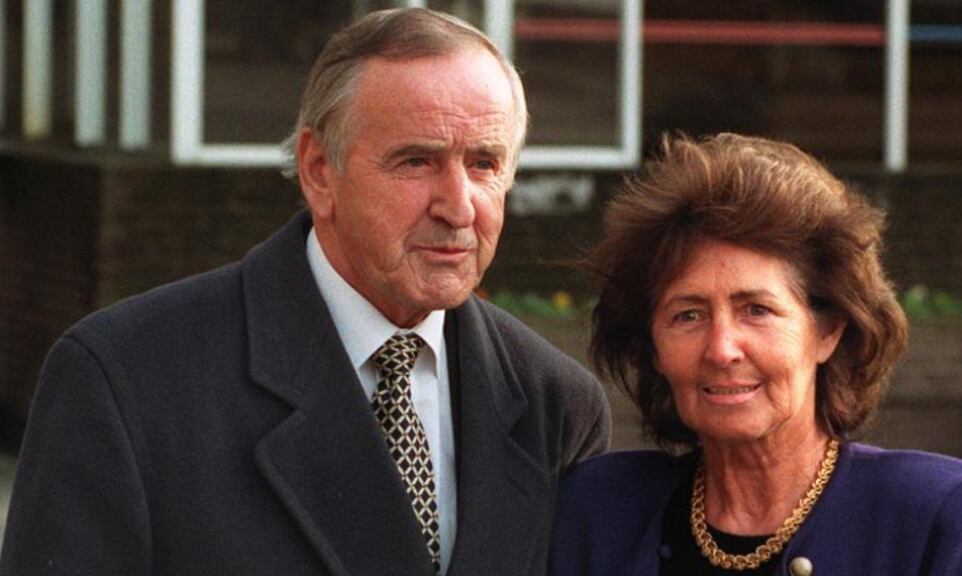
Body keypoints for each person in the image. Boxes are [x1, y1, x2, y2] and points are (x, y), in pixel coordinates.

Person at [0, 8, 610, 576]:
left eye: (485, 163)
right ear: (320, 171)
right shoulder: (126, 380)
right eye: (416, 162)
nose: (459, 206)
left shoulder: (556, 406)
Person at [549, 133, 962, 576]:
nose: (722, 348)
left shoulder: (938, 516)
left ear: (828, 331)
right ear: (652, 347)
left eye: (756, 310)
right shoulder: (597, 509)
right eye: (688, 315)